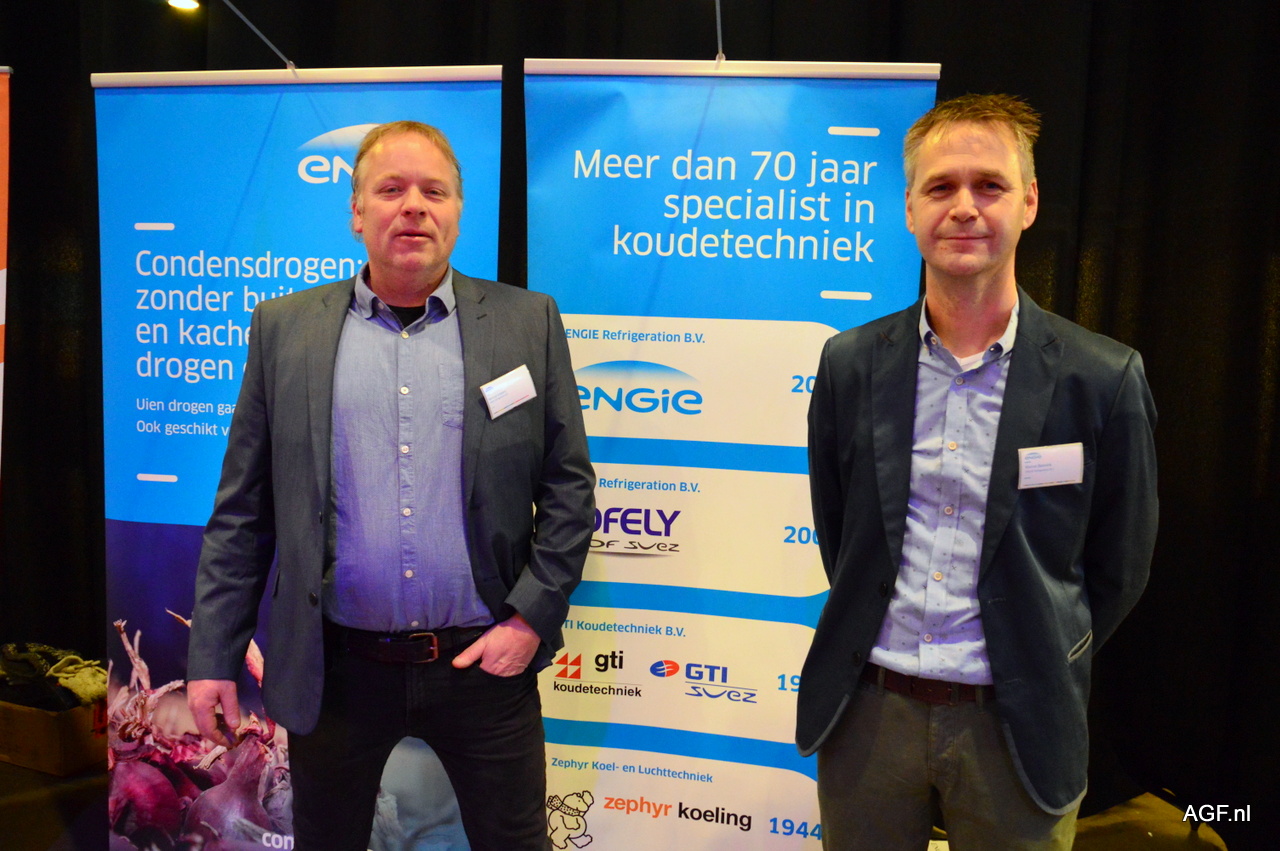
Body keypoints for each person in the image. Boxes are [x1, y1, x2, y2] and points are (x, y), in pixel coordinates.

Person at [185, 120, 595, 851]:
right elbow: (243, 513)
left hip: (484, 669)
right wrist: (214, 655)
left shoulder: (526, 323)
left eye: (434, 191)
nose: (413, 207)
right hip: (336, 672)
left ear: (458, 212)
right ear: (356, 212)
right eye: (391, 189)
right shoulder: (283, 329)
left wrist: (530, 619)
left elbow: (569, 488)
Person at [797, 94, 1157, 849]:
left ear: (1029, 202)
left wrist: (1038, 647)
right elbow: (842, 533)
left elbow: (1118, 568)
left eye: (989, 185)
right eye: (941, 186)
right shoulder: (849, 364)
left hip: (1020, 724)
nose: (964, 206)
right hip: (868, 716)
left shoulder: (1103, 377)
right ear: (909, 208)